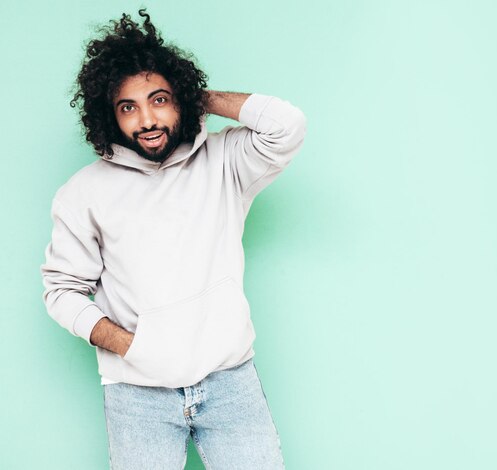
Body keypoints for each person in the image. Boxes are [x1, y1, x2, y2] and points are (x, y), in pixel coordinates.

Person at [40, 9, 306, 469]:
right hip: (137, 394)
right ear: (110, 117)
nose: (147, 119)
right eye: (129, 107)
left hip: (230, 381)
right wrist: (132, 346)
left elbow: (286, 124)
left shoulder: (225, 162)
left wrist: (193, 95)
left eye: (159, 99)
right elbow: (61, 291)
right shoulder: (83, 192)